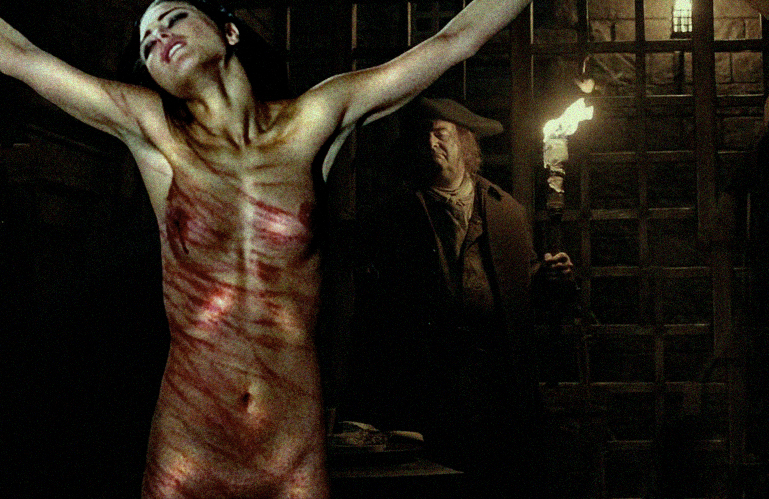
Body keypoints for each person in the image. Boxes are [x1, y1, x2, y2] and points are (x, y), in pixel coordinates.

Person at [0, 1, 532, 498]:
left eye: (174, 18)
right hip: (188, 445)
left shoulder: (311, 121)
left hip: (290, 450)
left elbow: (455, 39)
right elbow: (22, 56)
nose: (159, 36)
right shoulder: (158, 133)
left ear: (229, 31)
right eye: (146, 43)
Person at [343, 97, 575, 499]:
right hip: (426, 387)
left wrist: (551, 278)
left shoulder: (505, 212)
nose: (431, 143)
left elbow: (523, 292)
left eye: (441, 133)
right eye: (423, 136)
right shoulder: (395, 215)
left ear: (464, 143)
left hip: (495, 388)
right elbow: (375, 311)